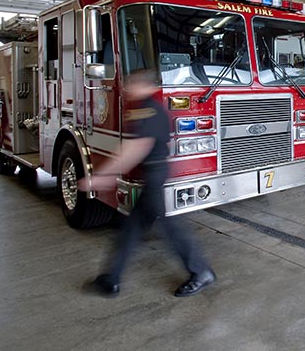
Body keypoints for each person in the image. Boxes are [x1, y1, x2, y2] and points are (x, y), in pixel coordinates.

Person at [79, 69, 215, 298]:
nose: (129, 88)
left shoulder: (144, 110)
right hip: (155, 173)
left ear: (146, 86)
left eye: (133, 84)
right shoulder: (159, 109)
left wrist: (104, 175)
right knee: (130, 229)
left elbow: (135, 149)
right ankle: (111, 278)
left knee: (171, 228)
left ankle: (201, 271)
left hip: (153, 175)